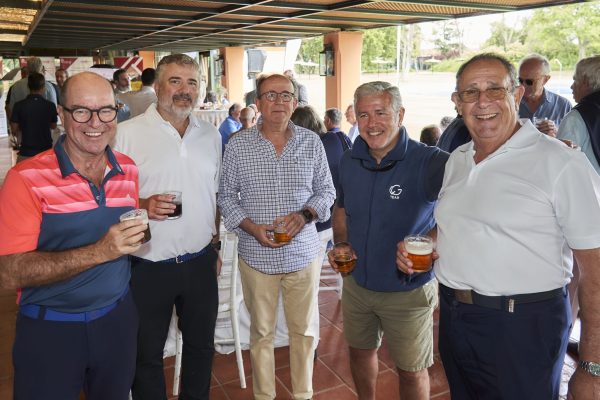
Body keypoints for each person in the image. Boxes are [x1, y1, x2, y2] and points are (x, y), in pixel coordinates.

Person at [397, 53, 600, 399]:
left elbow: (595, 273)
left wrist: (592, 367)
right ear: (457, 103)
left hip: (523, 326)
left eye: (495, 89)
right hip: (456, 319)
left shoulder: (560, 162)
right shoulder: (458, 160)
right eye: (470, 92)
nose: (483, 102)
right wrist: (429, 244)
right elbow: (454, 224)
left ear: (517, 95)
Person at [0, 71, 145, 399]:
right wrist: (101, 251)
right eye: (81, 110)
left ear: (117, 112)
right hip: (50, 330)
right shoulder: (24, 179)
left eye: (106, 110)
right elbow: (10, 273)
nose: (96, 122)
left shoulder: (128, 169)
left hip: (117, 321)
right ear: (61, 115)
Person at [219, 73, 335, 400]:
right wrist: (253, 228)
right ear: (258, 103)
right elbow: (226, 196)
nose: (279, 102)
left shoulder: (311, 142)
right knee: (261, 335)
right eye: (270, 95)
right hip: (256, 257)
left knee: (304, 332)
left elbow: (327, 192)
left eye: (286, 95)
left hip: (302, 256)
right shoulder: (239, 144)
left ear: (295, 103)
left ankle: (303, 395)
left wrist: (304, 215)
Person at [328, 81, 447, 400]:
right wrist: (340, 241)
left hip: (407, 292)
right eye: (364, 114)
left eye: (381, 112)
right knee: (360, 353)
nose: (372, 122)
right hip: (357, 284)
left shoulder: (431, 161)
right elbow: (341, 207)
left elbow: (470, 201)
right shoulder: (350, 160)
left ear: (401, 114)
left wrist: (433, 239)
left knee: (411, 371)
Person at [114, 53, 221, 400]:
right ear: (157, 86)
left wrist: (215, 245)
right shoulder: (126, 135)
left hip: (200, 262)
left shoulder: (211, 135)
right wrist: (143, 205)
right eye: (175, 81)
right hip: (148, 265)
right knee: (146, 356)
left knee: (201, 349)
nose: (184, 91)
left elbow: (214, 194)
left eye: (192, 83)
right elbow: (108, 198)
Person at [557, 55, 600, 175]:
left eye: (575, 80)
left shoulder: (576, 118)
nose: (571, 86)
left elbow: (561, 164)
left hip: (589, 190)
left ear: (586, 82)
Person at [518, 54, 572, 136]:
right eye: (520, 80)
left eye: (529, 82)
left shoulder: (563, 105)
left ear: (545, 80)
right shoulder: (509, 102)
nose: (523, 85)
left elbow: (572, 140)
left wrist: (556, 132)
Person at [10, 72, 58, 162]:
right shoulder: (50, 105)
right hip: (45, 152)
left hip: (26, 152)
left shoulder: (19, 105)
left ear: (28, 86)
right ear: (43, 87)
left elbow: (14, 128)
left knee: (22, 175)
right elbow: (53, 126)